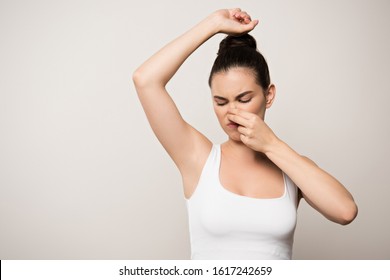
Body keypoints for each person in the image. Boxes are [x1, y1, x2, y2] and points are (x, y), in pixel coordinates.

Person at [132, 8, 358, 260]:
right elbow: (145, 80)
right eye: (220, 102)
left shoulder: (291, 167)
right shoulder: (198, 158)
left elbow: (345, 211)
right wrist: (213, 24)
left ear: (268, 95)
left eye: (244, 98)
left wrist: (271, 144)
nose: (232, 112)